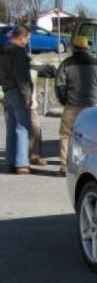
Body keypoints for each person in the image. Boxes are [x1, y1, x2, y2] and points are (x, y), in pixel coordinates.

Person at [55, 35, 97, 176]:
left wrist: (64, 100)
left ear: (74, 47)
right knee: (90, 137)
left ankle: (63, 166)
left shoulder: (66, 63)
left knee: (66, 135)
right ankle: (89, 166)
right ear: (86, 47)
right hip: (91, 106)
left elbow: (59, 84)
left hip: (72, 105)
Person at [0, 26, 34, 175]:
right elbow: (23, 78)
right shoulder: (19, 52)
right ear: (22, 37)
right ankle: (22, 164)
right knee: (22, 128)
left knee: (10, 129)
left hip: (6, 91)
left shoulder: (2, 51)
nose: (27, 42)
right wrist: (28, 95)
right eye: (27, 39)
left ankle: (9, 162)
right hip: (18, 92)